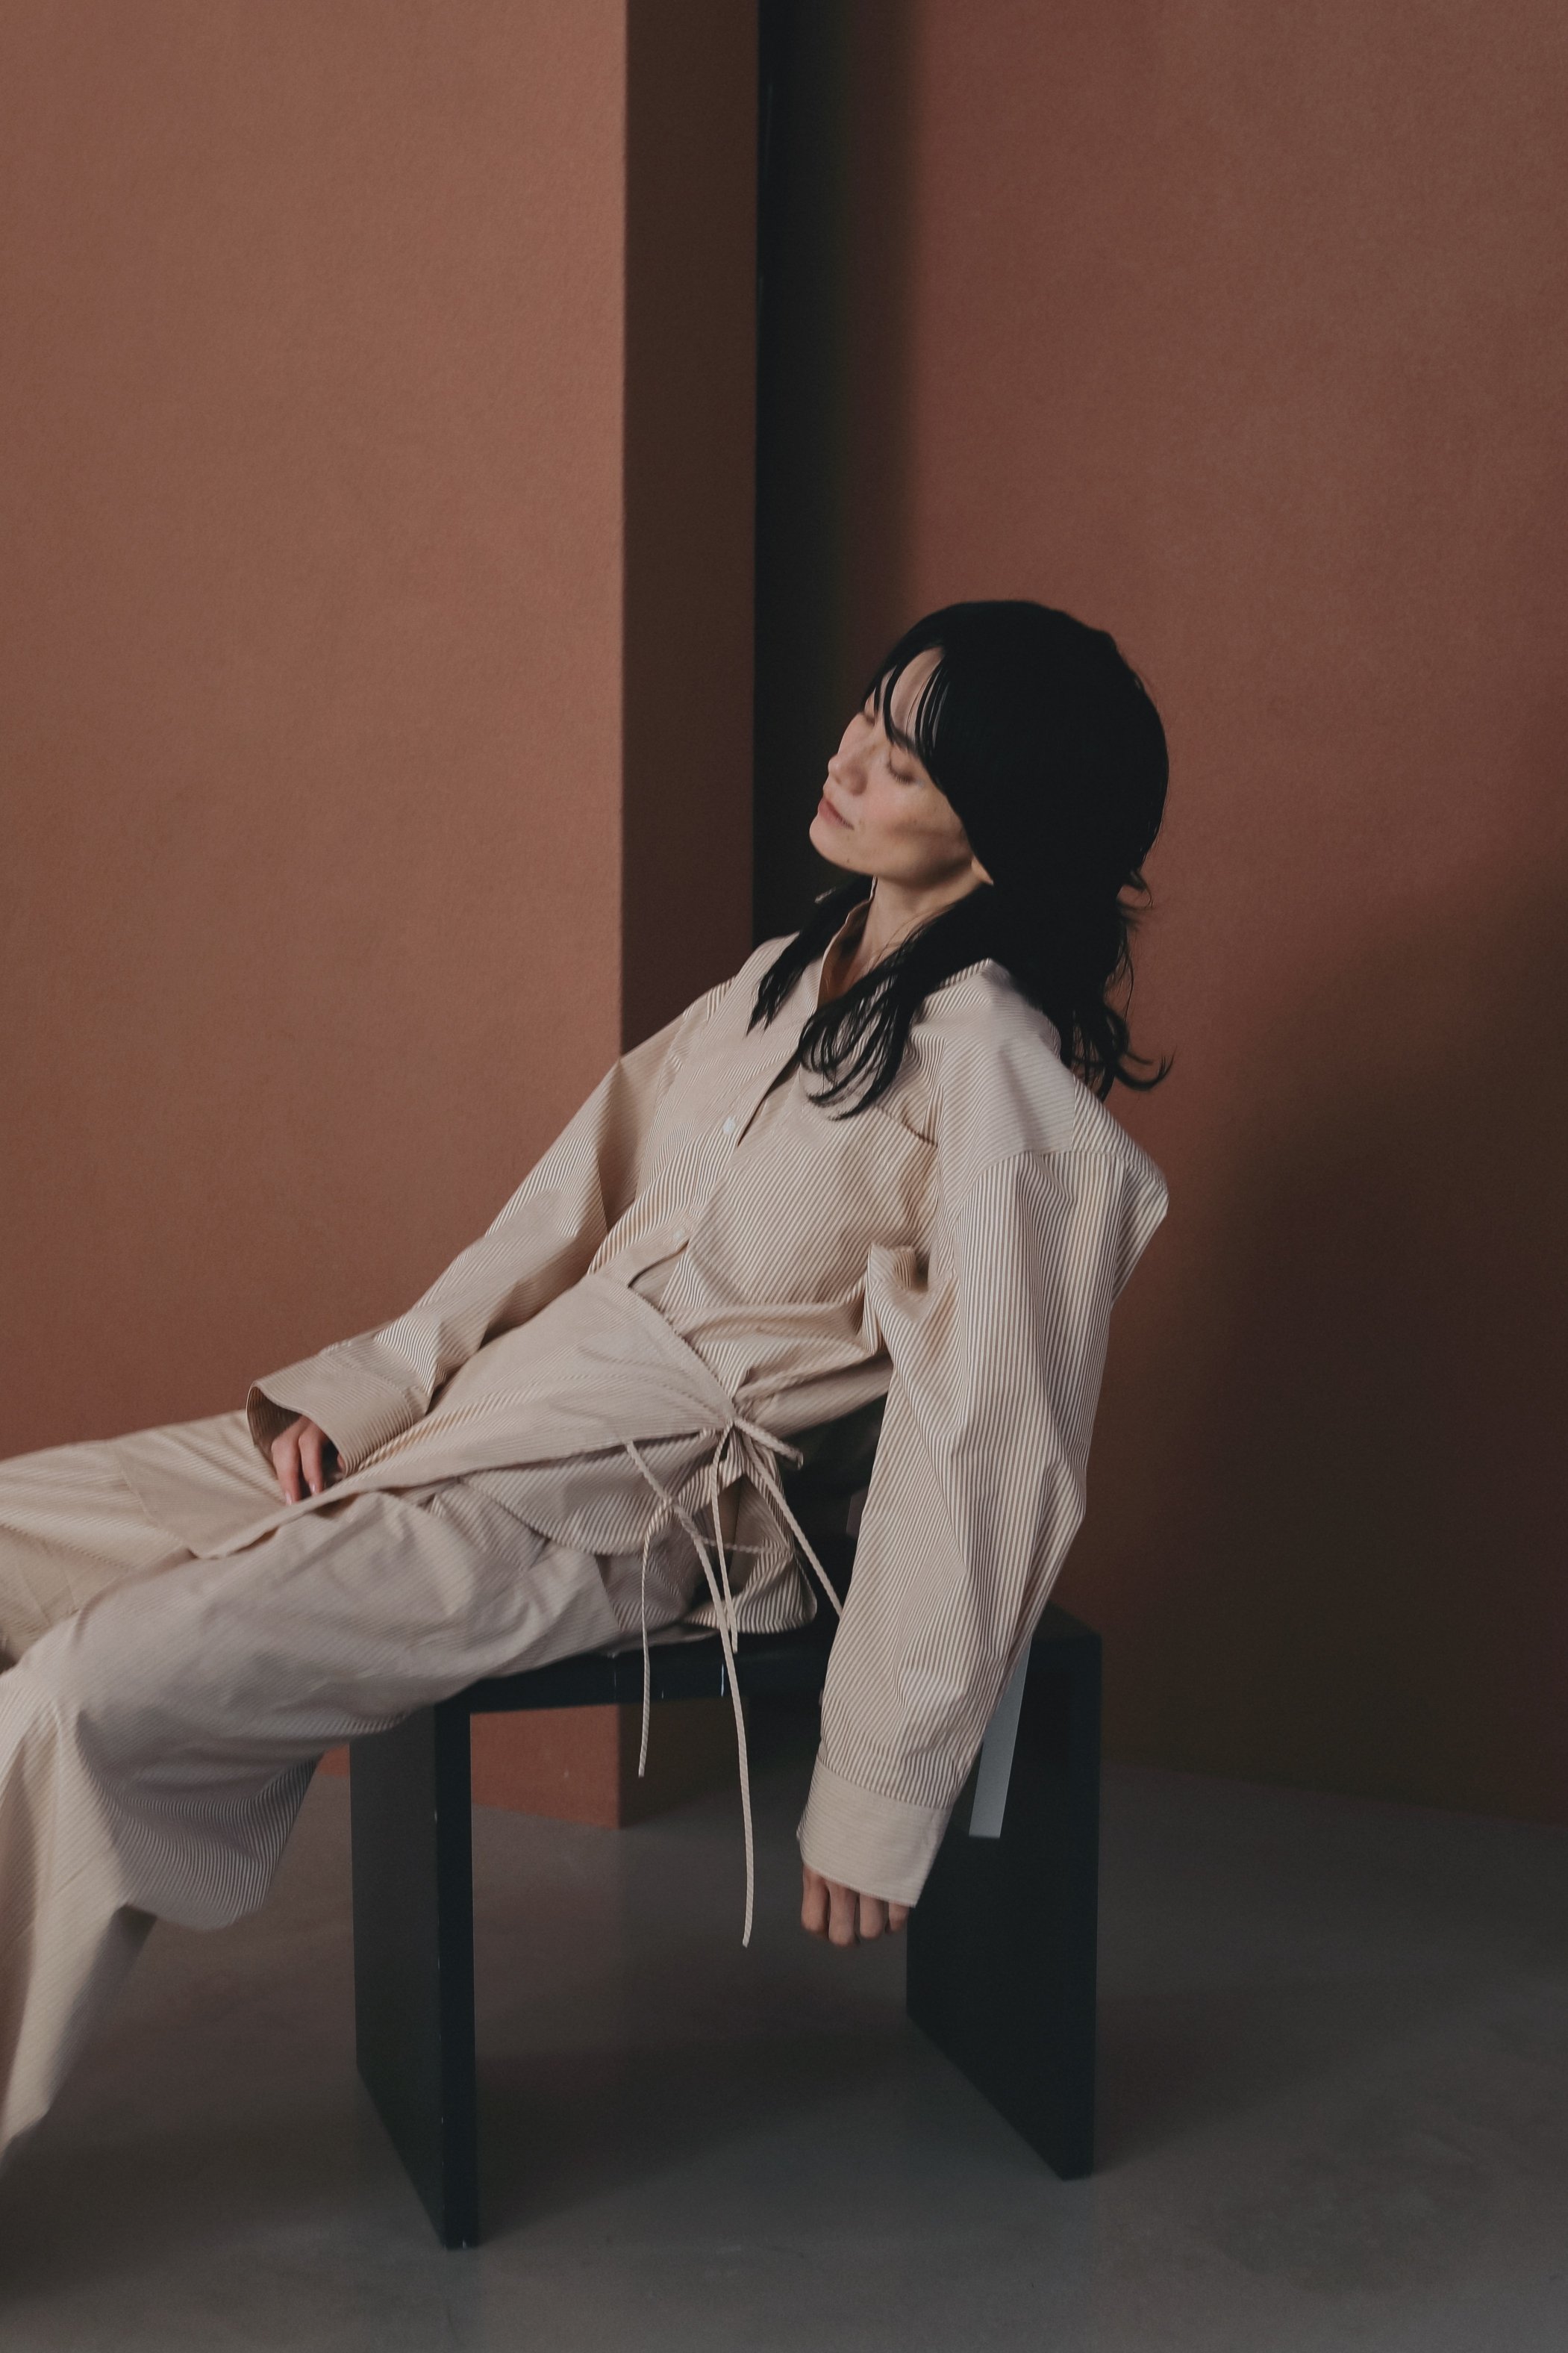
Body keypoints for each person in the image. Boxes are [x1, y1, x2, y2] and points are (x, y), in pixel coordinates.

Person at [0, 597, 1171, 2175]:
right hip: (476, 1406)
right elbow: (558, 1211)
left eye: (904, 760)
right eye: (869, 715)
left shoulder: (999, 1086)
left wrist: (880, 1783)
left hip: (609, 1507)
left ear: (1002, 825)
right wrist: (372, 1389)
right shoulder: (778, 983)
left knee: (90, 1689)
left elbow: (989, 1444)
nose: (849, 760)